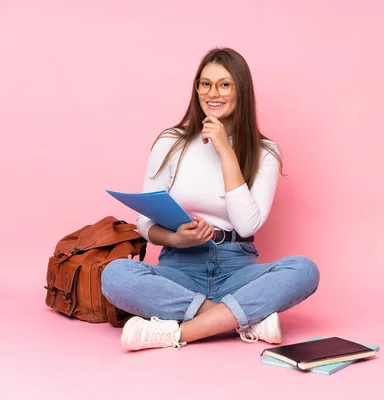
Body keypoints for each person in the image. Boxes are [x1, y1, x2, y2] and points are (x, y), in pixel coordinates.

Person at [101, 47, 320, 351]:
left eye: (224, 84)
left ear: (241, 91)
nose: (212, 93)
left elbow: (246, 225)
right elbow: (143, 222)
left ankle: (176, 333)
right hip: (179, 270)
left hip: (237, 268)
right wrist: (177, 239)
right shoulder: (171, 142)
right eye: (205, 84)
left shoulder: (265, 151)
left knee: (304, 270)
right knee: (115, 275)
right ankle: (241, 318)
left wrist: (225, 150)